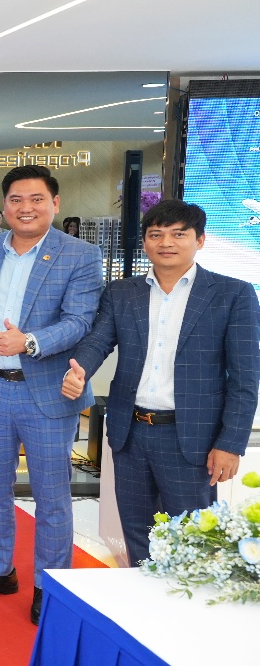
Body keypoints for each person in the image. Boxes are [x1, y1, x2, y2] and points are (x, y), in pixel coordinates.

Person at [64, 200, 259, 565]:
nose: (166, 242)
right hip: (131, 433)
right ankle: (144, 593)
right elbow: (98, 341)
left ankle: (186, 600)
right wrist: (80, 369)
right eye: (156, 234)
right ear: (145, 241)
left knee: (192, 537)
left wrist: (230, 443)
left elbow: (245, 377)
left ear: (200, 240)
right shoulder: (122, 292)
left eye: (178, 234)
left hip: (192, 438)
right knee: (138, 532)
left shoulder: (232, 294)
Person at [0, 164, 103, 624]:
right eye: (16, 199)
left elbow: (80, 320)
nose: (26, 208)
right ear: (4, 205)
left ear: (55, 203)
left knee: (52, 496)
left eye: (37, 199)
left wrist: (30, 342)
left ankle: (48, 584)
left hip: (47, 391)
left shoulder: (80, 254)